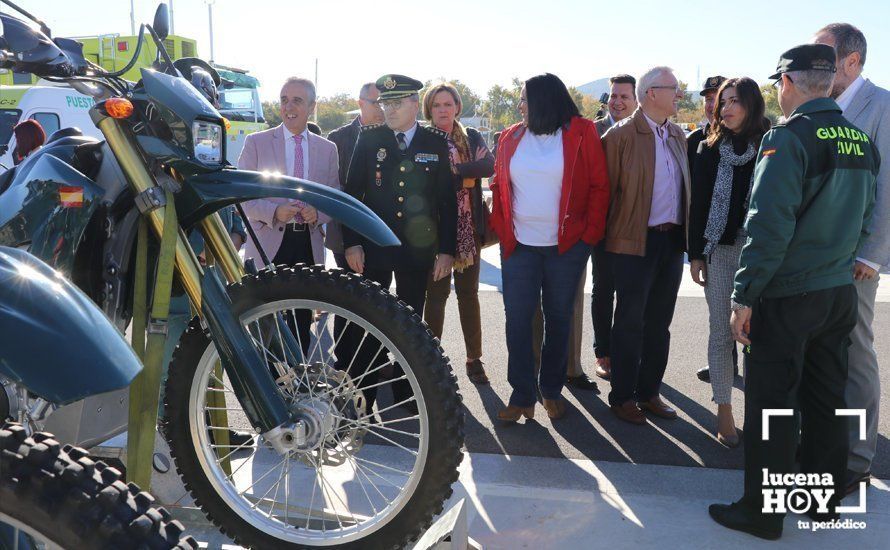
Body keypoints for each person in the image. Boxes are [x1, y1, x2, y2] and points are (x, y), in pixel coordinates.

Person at [709, 44, 878, 540]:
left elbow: (767, 224)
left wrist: (744, 295)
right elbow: (865, 217)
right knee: (826, 401)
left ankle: (762, 513)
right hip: (837, 293)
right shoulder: (858, 139)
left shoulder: (790, 138)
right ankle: (821, 503)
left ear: (788, 81)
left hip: (789, 294)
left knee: (772, 406)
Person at [489, 73, 609, 422]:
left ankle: (551, 390)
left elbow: (600, 187)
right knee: (517, 320)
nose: (519, 105)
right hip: (519, 247)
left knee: (558, 319)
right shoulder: (512, 136)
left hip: (566, 248)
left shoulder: (582, 132)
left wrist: (588, 238)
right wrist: (501, 228)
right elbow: (498, 186)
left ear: (542, 100)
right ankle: (522, 395)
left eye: (524, 98)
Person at [342, 73, 456, 411]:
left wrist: (446, 250)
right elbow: (352, 195)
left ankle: (407, 389)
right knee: (372, 321)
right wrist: (352, 243)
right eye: (384, 102)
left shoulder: (434, 142)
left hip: (417, 251)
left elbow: (446, 202)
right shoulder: (370, 138)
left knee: (410, 324)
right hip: (374, 248)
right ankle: (364, 394)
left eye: (395, 102)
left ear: (411, 104)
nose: (387, 109)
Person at [814, 23, 890, 496]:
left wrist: (872, 254)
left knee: (855, 353)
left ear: (852, 62)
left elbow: (889, 189)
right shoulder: (817, 106)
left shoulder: (882, 106)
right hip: (811, 259)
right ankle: (821, 447)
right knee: (818, 354)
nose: (814, 66)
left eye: (823, 58)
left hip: (855, 260)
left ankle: (857, 460)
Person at [601, 66, 689, 425]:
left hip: (671, 242)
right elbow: (605, 195)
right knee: (629, 323)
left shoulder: (678, 135)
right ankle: (622, 397)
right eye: (674, 89)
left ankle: (649, 392)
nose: (680, 95)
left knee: (659, 323)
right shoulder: (619, 136)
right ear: (652, 93)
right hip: (632, 242)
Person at [688, 77, 770, 448]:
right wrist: (696, 254)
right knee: (721, 332)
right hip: (719, 251)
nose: (726, 109)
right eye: (723, 102)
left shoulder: (773, 144)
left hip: (761, 252)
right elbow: (698, 203)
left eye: (734, 101)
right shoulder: (709, 147)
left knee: (758, 337)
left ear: (752, 104)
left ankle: (762, 412)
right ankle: (724, 410)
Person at [238, 76, 340, 355]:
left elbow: (334, 195)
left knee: (300, 326)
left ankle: (294, 388)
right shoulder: (256, 143)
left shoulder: (327, 149)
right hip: (267, 246)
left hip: (307, 246)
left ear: (312, 106)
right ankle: (265, 392)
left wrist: (317, 213)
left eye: (297, 100)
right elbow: (241, 197)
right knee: (264, 329)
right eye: (284, 100)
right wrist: (274, 212)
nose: (288, 106)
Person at [421, 83, 495, 385]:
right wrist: (463, 174)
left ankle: (473, 358)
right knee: (436, 296)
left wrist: (454, 173)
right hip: (434, 231)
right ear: (429, 109)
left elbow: (488, 165)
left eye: (448, 104)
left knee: (469, 295)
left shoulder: (472, 136)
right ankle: (431, 358)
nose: (442, 110)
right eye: (437, 105)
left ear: (457, 107)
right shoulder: (423, 139)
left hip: (469, 230)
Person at [591, 74, 638, 381]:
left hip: (636, 226)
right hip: (603, 225)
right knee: (603, 289)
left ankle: (629, 351)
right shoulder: (593, 130)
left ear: (636, 99)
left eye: (624, 96)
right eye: (613, 96)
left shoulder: (643, 130)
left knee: (633, 293)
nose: (618, 101)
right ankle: (603, 352)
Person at [326, 82, 384, 269]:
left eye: (385, 103)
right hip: (345, 232)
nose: (381, 108)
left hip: (381, 232)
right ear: (361, 103)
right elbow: (333, 189)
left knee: (378, 294)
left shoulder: (393, 136)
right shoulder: (338, 139)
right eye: (376, 103)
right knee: (348, 294)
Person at [686, 76, 726, 176]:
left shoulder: (741, 138)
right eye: (708, 99)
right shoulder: (692, 140)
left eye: (718, 99)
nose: (712, 105)